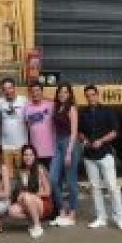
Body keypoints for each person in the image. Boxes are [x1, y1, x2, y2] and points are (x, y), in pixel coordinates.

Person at [78, 84, 122, 230]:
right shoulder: (83, 113)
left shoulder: (107, 111)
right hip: (89, 156)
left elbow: (115, 131)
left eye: (92, 95)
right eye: (87, 96)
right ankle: (101, 217)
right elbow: (80, 132)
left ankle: (120, 218)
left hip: (105, 154)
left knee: (112, 187)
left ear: (97, 95)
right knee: (95, 188)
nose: (90, 98)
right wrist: (85, 140)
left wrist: (101, 141)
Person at [49, 82, 80, 227]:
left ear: (70, 94)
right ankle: (62, 209)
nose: (62, 94)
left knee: (70, 181)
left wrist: (69, 152)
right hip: (58, 144)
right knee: (53, 179)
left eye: (65, 92)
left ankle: (72, 213)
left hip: (70, 144)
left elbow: (74, 132)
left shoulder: (71, 108)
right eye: (60, 92)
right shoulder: (56, 107)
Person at [8, 144, 52, 239]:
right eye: (25, 155)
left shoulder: (39, 168)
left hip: (43, 203)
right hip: (27, 201)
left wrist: (30, 194)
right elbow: (17, 191)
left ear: (34, 156)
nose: (28, 157)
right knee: (12, 211)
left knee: (27, 196)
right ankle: (32, 221)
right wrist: (20, 195)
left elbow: (48, 192)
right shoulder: (20, 171)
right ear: (22, 157)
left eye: (31, 155)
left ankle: (37, 226)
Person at [0, 77, 28, 172]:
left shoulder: (24, 101)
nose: (8, 91)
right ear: (2, 91)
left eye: (10, 88)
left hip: (21, 145)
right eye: (5, 89)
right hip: (5, 146)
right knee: (8, 175)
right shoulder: (0, 102)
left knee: (22, 174)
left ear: (14, 88)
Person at [24, 82, 55, 169]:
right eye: (32, 91)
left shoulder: (51, 105)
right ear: (30, 93)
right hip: (34, 151)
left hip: (50, 151)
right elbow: (27, 126)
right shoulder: (26, 107)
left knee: (51, 179)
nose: (35, 93)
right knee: (37, 179)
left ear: (42, 91)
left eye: (37, 90)